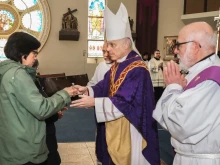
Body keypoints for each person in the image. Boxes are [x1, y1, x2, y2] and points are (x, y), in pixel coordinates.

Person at [71, 3, 160, 165]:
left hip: (132, 126)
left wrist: (94, 102)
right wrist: (87, 90)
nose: (108, 49)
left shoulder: (137, 69)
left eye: (112, 44)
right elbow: (103, 86)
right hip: (117, 124)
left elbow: (126, 101)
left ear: (127, 44)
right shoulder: (120, 64)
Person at [0, 32, 77, 165]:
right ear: (22, 54)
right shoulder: (18, 75)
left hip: (11, 144)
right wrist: (65, 93)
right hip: (24, 148)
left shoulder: (5, 71)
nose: (35, 57)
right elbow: (41, 109)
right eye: (33, 53)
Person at [153, 22, 220, 165]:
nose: (175, 51)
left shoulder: (213, 78)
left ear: (195, 46)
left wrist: (173, 88)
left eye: (179, 45)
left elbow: (180, 127)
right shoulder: (197, 72)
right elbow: (164, 118)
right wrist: (175, 87)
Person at [32, 60, 65, 165]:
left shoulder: (37, 80)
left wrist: (56, 109)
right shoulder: (27, 83)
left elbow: (47, 101)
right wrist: (55, 112)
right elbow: (40, 109)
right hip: (39, 132)